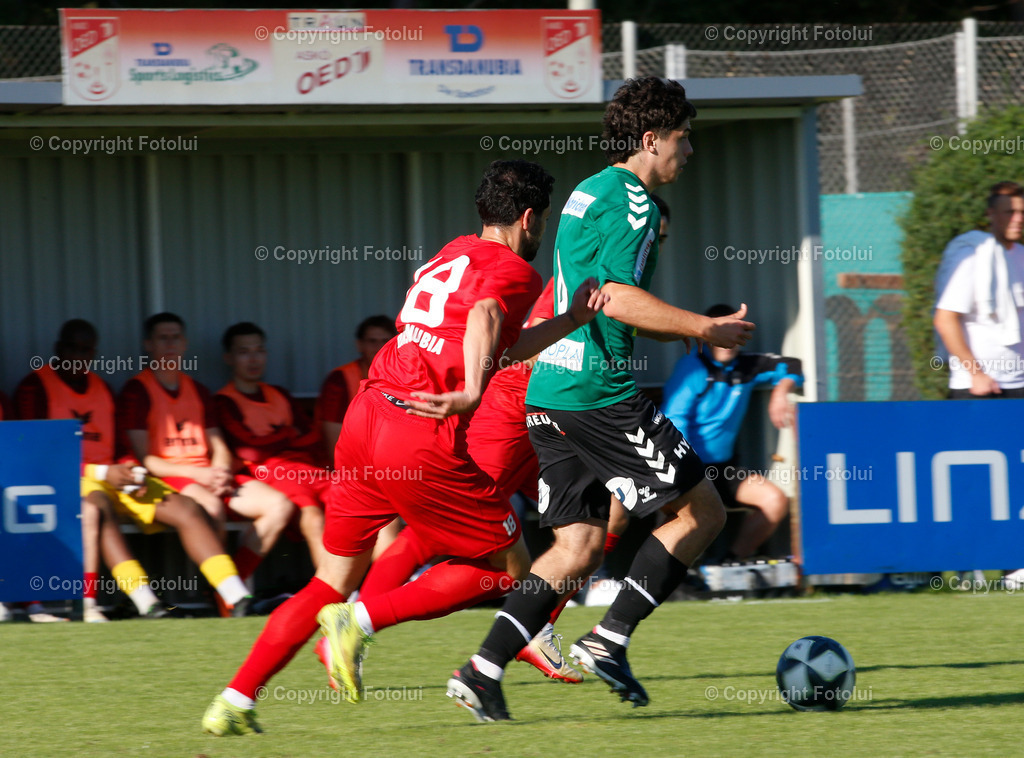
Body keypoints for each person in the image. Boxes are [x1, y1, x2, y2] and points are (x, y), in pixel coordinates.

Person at [202, 159, 607, 736]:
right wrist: (470, 392)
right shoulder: (516, 271)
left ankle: (235, 700)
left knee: (328, 581)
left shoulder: (452, 252)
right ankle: (361, 621)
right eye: (541, 221)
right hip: (419, 432)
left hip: (365, 418)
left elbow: (498, 337)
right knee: (511, 574)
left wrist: (569, 319)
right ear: (528, 218)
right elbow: (487, 318)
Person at [447, 76, 754, 722]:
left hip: (549, 389)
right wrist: (706, 327)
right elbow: (612, 297)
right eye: (682, 139)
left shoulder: (590, 188)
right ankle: (609, 640)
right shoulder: (636, 205)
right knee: (704, 513)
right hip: (597, 391)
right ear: (651, 140)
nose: (688, 152)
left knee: (578, 548)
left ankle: (481, 670)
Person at [13, 320, 229, 619]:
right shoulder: (34, 388)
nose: (80, 357)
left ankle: (236, 596)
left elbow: (120, 447)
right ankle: (141, 601)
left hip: (111, 478)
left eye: (87, 350)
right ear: (58, 349)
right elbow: (35, 456)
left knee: (187, 508)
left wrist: (131, 469)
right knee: (97, 506)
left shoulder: (102, 388)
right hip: (62, 484)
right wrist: (102, 474)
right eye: (73, 349)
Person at [118, 313, 293, 614]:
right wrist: (198, 473)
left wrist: (221, 470)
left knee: (280, 506)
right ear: (148, 344)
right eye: (163, 338)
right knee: (210, 507)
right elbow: (145, 459)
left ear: (185, 343)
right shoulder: (137, 390)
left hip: (208, 474)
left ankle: (232, 583)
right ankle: (229, 598)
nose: (171, 344)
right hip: (171, 476)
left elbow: (218, 445)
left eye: (176, 337)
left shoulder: (197, 389)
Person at [661, 304, 802, 561]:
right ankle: (672, 577)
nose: (729, 340)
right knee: (681, 518)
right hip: (686, 469)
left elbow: (792, 365)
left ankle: (733, 566)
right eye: (722, 331)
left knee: (775, 501)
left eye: (735, 331)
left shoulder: (747, 366)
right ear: (708, 334)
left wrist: (781, 392)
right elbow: (672, 421)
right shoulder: (692, 368)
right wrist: (685, 472)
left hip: (723, 470)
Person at [215, 322, 327, 569]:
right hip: (268, 476)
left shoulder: (280, 394)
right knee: (314, 516)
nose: (254, 359)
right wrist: (288, 434)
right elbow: (249, 450)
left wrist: (271, 440)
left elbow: (313, 438)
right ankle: (335, 596)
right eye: (244, 352)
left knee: (363, 506)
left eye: (259, 351)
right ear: (229, 358)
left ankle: (385, 589)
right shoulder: (223, 401)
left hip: (308, 469)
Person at [317, 315, 401, 559]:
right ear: (359, 345)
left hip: (396, 468)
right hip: (349, 471)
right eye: (372, 341)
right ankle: (386, 587)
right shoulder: (340, 380)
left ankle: (411, 576)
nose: (378, 347)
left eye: (385, 341)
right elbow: (334, 444)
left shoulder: (405, 376)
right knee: (386, 508)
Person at [934, 181, 1024, 398]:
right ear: (991, 214)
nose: (1018, 219)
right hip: (980, 386)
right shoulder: (973, 256)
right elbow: (945, 319)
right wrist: (976, 374)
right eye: (1010, 212)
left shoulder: (1021, 255)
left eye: (1022, 212)